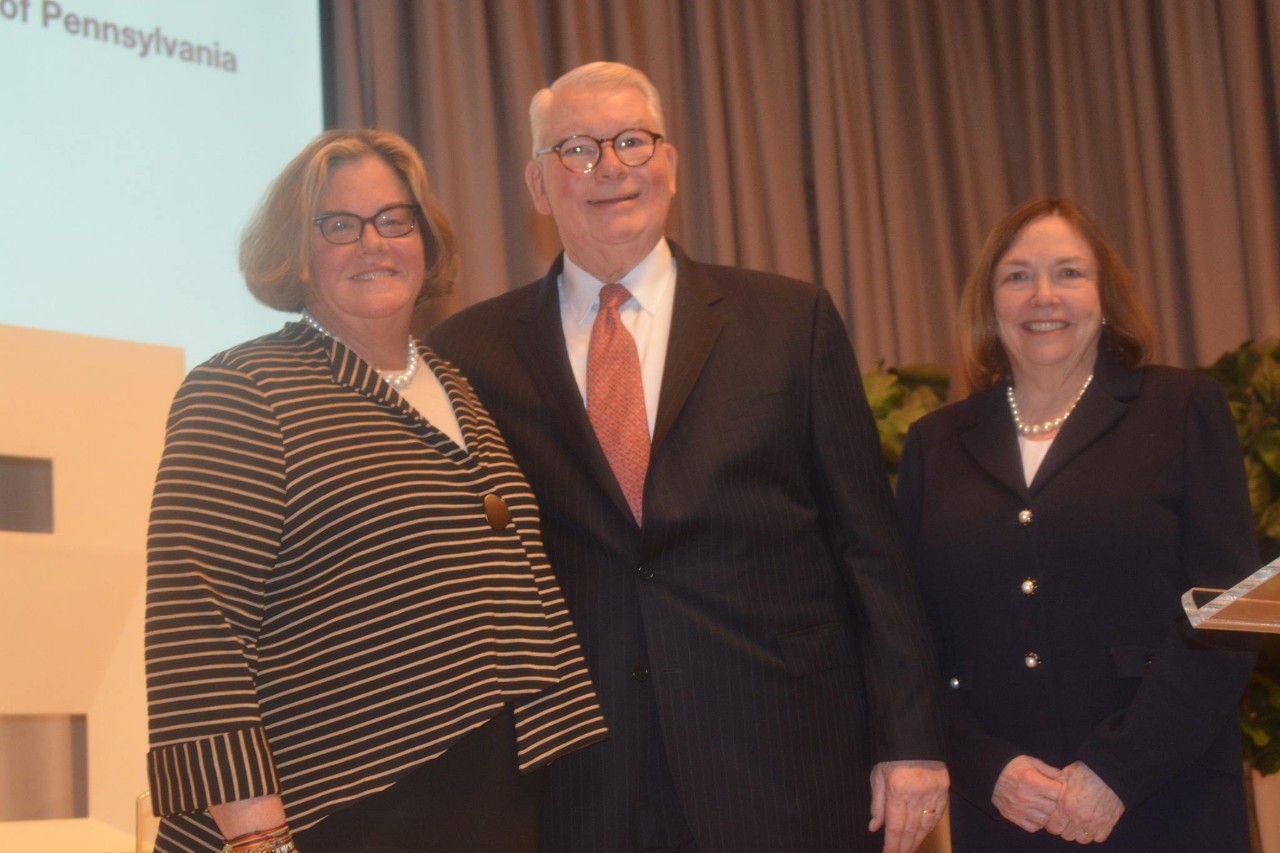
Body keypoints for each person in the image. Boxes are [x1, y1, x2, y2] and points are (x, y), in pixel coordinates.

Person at [428, 61, 948, 853]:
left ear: (669, 162)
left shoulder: (788, 319)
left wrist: (909, 737)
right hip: (578, 782)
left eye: (632, 141)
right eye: (575, 149)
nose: (609, 167)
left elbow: (869, 546)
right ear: (538, 185)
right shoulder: (469, 353)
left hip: (782, 762)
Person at [144, 128, 606, 853]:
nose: (374, 243)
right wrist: (256, 839)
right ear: (296, 248)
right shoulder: (244, 389)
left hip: (491, 796)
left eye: (397, 219)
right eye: (339, 225)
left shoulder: (459, 385)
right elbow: (197, 630)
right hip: (336, 807)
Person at [895, 197, 1259, 851]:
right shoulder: (935, 443)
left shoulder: (1181, 408)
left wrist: (1118, 769)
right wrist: (988, 768)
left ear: (1105, 295)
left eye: (1068, 273)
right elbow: (911, 640)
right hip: (1007, 813)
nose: (1043, 296)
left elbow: (1233, 614)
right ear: (990, 301)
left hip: (1168, 799)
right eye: (1017, 276)